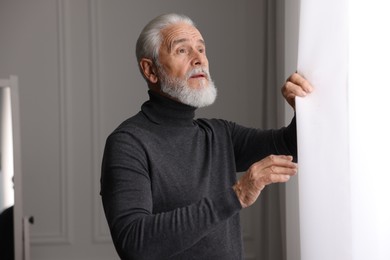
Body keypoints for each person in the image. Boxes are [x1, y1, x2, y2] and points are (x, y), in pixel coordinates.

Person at [100, 13, 312, 260]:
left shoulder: (219, 134)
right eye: (182, 50)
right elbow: (134, 243)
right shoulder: (127, 143)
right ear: (150, 70)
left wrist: (304, 110)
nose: (198, 59)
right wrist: (236, 196)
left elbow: (290, 146)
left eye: (201, 49)